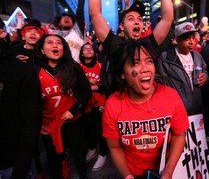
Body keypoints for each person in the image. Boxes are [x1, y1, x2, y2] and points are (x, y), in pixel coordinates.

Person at [102, 39, 189, 179]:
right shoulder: (113, 104)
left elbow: (179, 135)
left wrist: (168, 172)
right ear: (122, 74)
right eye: (135, 63)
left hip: (165, 170)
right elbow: (114, 147)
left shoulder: (171, 96)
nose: (145, 68)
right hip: (132, 172)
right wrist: (127, 176)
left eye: (149, 61)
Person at [34, 34, 92, 179]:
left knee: (79, 154)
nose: (55, 45)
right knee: (53, 158)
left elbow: (86, 91)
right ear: (41, 50)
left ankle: (83, 175)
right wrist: (38, 122)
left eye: (59, 43)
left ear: (63, 48)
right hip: (49, 124)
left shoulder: (73, 67)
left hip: (73, 120)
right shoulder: (34, 70)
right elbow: (30, 101)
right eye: (50, 43)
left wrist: (74, 110)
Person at [89, 0, 173, 59]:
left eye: (140, 19)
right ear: (121, 26)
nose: (137, 22)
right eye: (131, 19)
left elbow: (167, 19)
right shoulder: (115, 45)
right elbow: (95, 13)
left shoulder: (149, 44)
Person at [0, 19, 42, 179]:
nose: (33, 34)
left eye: (36, 31)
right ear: (22, 35)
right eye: (29, 30)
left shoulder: (44, 55)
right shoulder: (15, 54)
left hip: (40, 112)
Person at [158, 22, 208, 116]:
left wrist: (205, 76)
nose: (191, 42)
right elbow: (161, 84)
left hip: (196, 108)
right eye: (186, 39)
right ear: (177, 40)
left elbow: (204, 70)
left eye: (193, 37)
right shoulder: (167, 58)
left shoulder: (197, 56)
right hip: (177, 108)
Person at [79, 43, 109, 171]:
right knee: (87, 129)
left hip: (100, 103)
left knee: (100, 130)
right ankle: (92, 149)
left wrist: (95, 87)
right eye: (85, 49)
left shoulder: (101, 66)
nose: (88, 50)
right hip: (85, 104)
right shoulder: (78, 68)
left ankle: (103, 153)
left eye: (91, 48)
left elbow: (108, 86)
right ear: (81, 54)